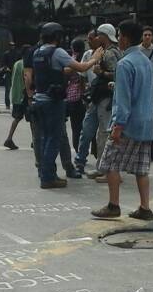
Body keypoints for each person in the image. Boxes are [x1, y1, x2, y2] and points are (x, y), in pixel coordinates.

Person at [91, 20, 153, 221]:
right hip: (146, 121)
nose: (118, 39)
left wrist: (118, 125)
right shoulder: (146, 61)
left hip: (127, 123)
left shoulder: (124, 63)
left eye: (119, 35)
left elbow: (123, 99)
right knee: (141, 167)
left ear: (125, 38)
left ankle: (113, 205)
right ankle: (145, 208)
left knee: (110, 162)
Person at [32, 22, 100, 189]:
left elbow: (58, 71)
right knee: (53, 139)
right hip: (53, 102)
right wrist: (95, 58)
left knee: (45, 138)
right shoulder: (58, 52)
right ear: (57, 36)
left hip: (39, 100)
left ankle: (46, 173)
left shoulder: (38, 52)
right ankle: (48, 178)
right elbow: (82, 67)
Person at [76, 24, 120, 177]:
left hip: (105, 98)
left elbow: (117, 75)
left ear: (104, 36)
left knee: (103, 134)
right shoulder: (101, 52)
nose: (95, 38)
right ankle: (83, 162)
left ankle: (103, 168)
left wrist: (101, 72)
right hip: (97, 98)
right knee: (88, 131)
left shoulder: (110, 54)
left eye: (99, 35)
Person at [4, 45, 32, 150]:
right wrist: (30, 95)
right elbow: (26, 78)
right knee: (33, 118)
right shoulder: (26, 64)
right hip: (24, 95)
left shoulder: (17, 63)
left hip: (16, 94)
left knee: (17, 118)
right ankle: (35, 140)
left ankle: (9, 138)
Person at [66, 38, 88, 153]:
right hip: (86, 97)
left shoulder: (71, 60)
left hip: (73, 96)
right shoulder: (87, 58)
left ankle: (78, 149)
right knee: (86, 126)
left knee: (76, 127)